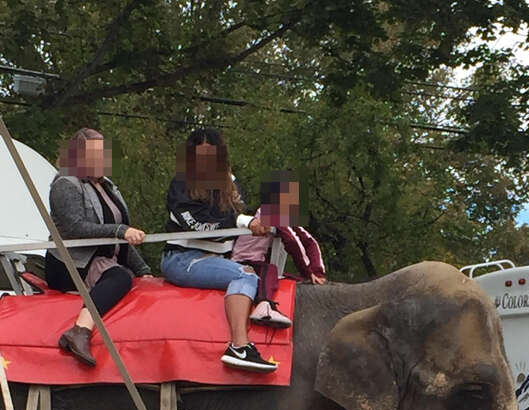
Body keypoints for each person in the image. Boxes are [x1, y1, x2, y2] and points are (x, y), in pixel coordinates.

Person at [161, 128, 275, 372]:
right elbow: (199, 225)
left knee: (261, 272)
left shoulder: (230, 184)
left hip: (218, 258)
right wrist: (243, 222)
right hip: (182, 259)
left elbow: (234, 218)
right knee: (244, 276)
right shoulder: (181, 183)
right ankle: (239, 346)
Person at [46, 127, 151, 366]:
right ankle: (80, 330)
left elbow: (120, 239)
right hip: (71, 263)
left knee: (130, 275)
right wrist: (119, 231)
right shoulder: (65, 184)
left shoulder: (109, 186)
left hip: (103, 259)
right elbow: (75, 228)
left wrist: (143, 270)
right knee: (120, 277)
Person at [232, 174, 326, 329]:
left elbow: (309, 241)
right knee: (270, 270)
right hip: (244, 261)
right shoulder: (270, 212)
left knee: (291, 279)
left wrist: (317, 271)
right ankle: (264, 305)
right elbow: (292, 242)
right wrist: (308, 272)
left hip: (257, 260)